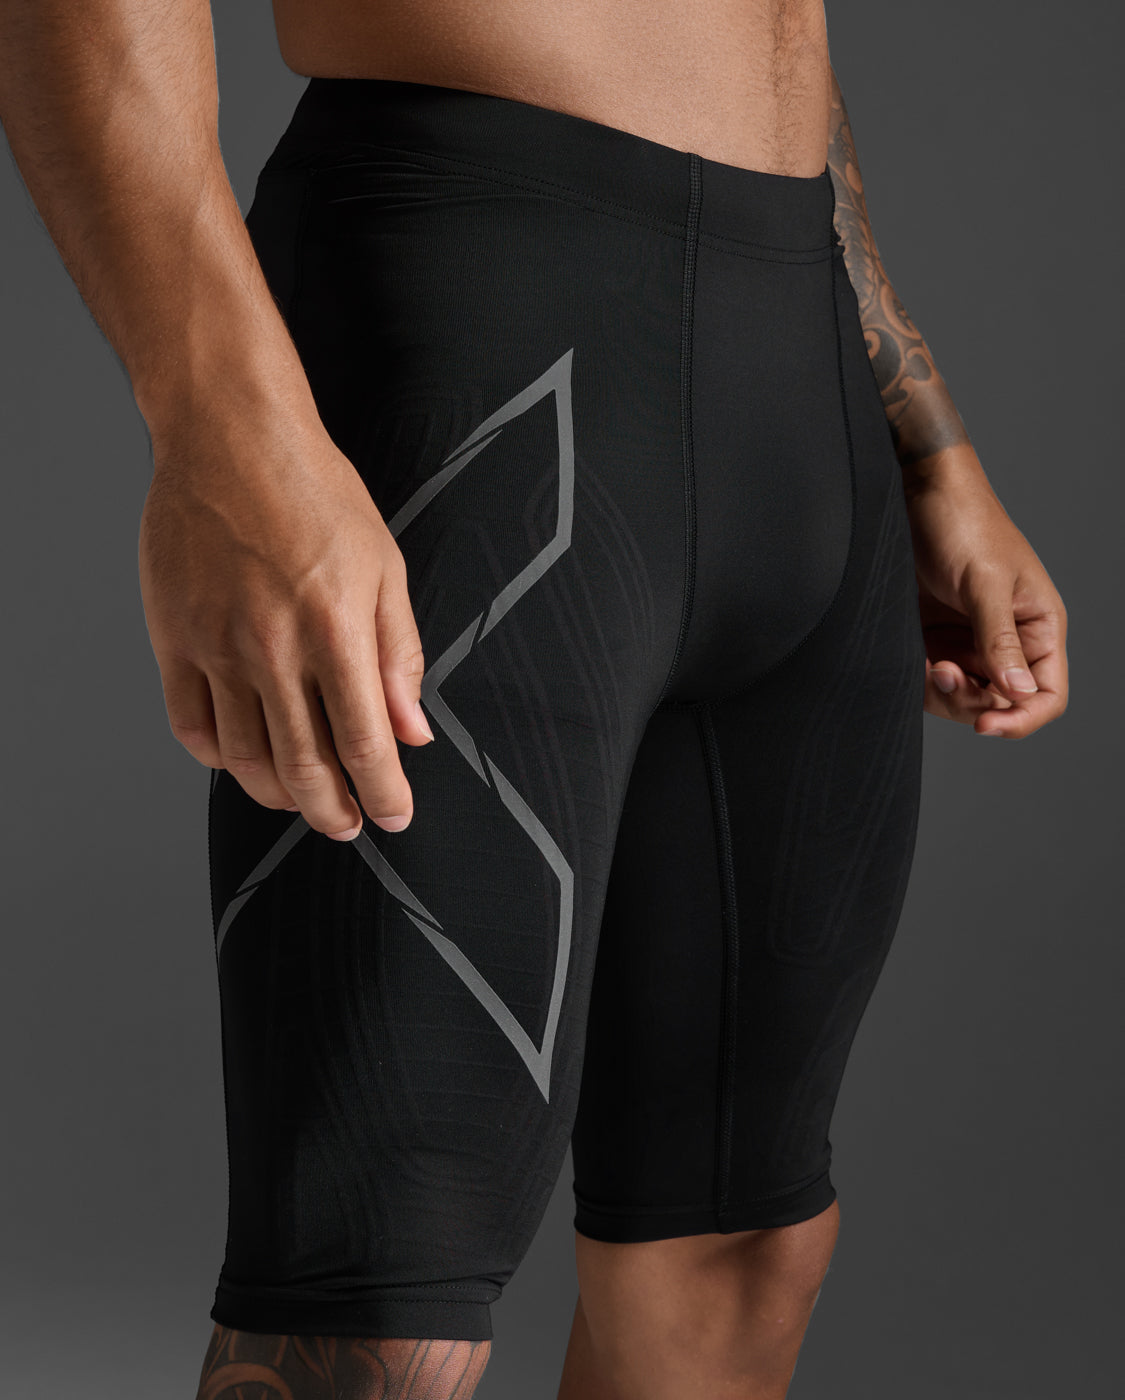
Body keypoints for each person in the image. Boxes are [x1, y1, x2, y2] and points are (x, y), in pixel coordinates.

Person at [0, 2, 1068, 1397]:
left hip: (798, 366)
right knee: (372, 1328)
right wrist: (218, 433)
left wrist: (928, 446)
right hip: (481, 316)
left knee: (739, 1252)